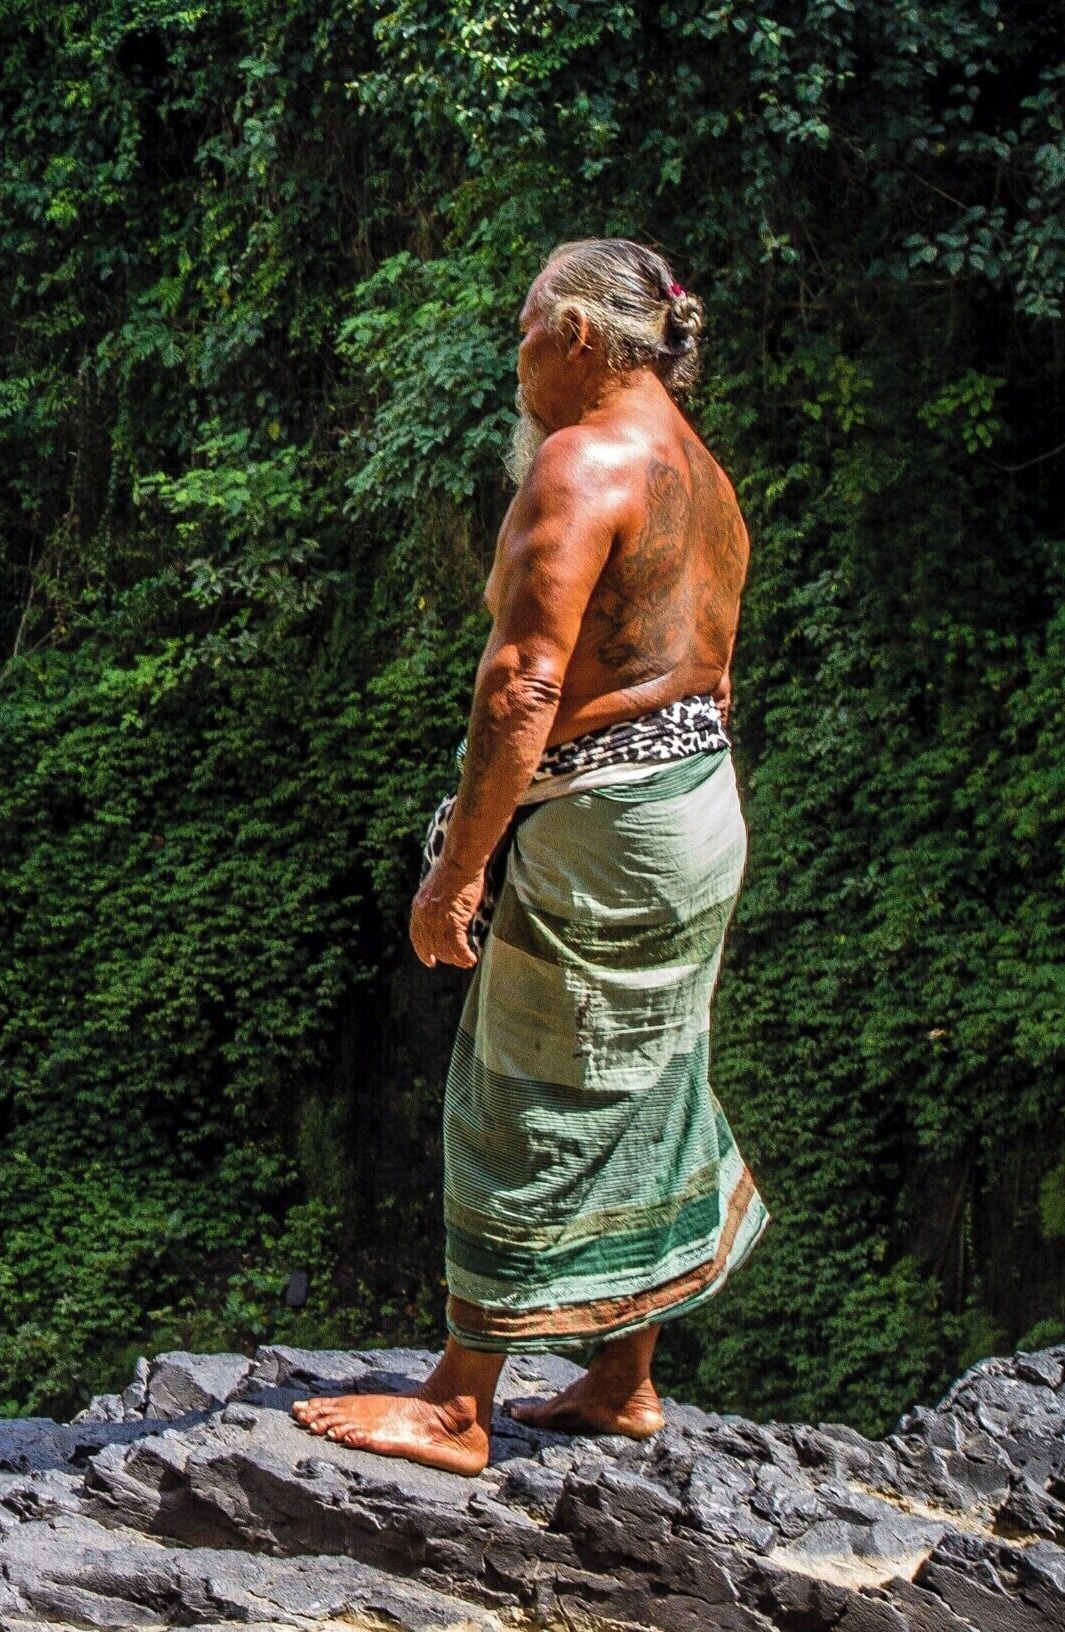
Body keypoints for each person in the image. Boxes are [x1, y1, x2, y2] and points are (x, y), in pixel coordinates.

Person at [293, 239, 768, 1475]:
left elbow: (523, 690)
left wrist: (458, 867)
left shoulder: (581, 461)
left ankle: (460, 1406)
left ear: (575, 337)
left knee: (522, 1088)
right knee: (650, 1072)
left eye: (521, 332)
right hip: (695, 807)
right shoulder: (700, 474)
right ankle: (622, 1380)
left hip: (612, 826)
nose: (513, 363)